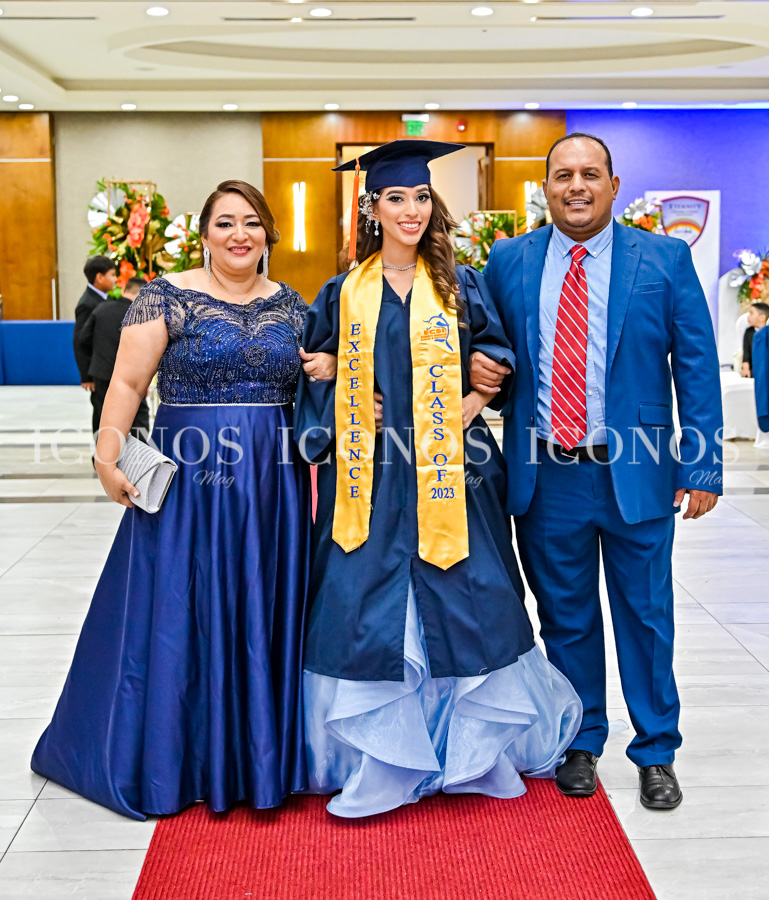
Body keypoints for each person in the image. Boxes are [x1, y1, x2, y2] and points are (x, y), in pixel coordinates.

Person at [294, 140, 581, 820]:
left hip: (456, 467)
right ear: (371, 208)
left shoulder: (459, 285)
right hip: (370, 471)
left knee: (467, 598)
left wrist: (472, 400)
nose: (411, 210)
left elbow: (498, 353)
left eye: (421, 197)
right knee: (368, 603)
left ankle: (470, 756)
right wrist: (338, 392)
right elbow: (311, 375)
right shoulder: (342, 292)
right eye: (396, 197)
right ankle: (383, 760)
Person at [32, 181, 311, 820]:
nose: (239, 234)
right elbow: (127, 382)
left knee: (262, 601)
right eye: (225, 222)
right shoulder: (166, 296)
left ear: (269, 233)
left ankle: (259, 757)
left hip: (273, 483)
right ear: (204, 234)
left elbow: (318, 383)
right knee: (182, 606)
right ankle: (177, 758)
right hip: (192, 480)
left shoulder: (293, 304)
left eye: (251, 222)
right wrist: (107, 456)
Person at [470, 133, 723, 810]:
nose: (575, 186)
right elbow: (488, 349)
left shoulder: (663, 258)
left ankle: (656, 749)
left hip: (637, 470)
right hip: (546, 474)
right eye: (562, 175)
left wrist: (702, 464)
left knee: (647, 616)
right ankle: (579, 740)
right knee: (565, 616)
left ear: (613, 185)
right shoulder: (510, 260)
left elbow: (696, 366)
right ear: (544, 188)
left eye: (589, 174)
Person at [78, 277, 151, 442]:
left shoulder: (101, 308)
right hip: (131, 375)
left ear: (125, 290)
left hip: (101, 373)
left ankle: (103, 453)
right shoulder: (140, 314)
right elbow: (146, 348)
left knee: (103, 415)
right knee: (138, 415)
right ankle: (139, 454)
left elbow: (84, 339)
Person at [74, 256, 117, 428]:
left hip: (106, 367)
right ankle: (100, 444)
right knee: (101, 411)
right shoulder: (87, 303)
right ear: (99, 277)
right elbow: (80, 341)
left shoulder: (105, 300)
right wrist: (86, 376)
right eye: (112, 275)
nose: (115, 279)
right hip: (97, 371)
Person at [741, 302, 769, 378]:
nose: (748, 316)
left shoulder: (767, 333)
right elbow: (746, 354)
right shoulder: (749, 332)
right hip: (753, 370)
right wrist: (745, 369)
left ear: (762, 317)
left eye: (751, 313)